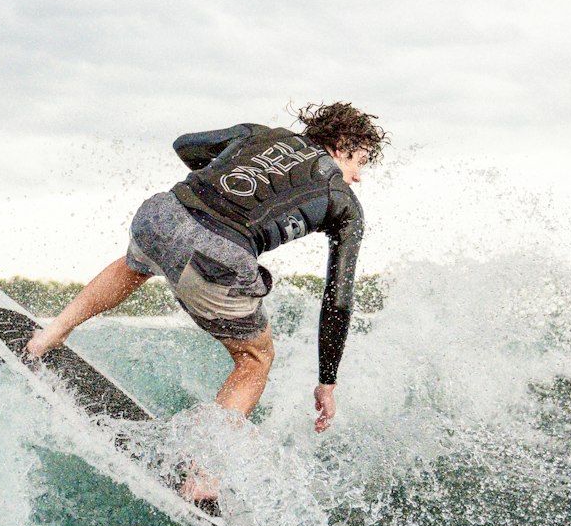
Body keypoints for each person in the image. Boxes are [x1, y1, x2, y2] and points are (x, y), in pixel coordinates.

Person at [25, 102, 387, 494]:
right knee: (255, 358)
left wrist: (227, 177)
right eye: (360, 162)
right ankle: (203, 473)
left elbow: (186, 146)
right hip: (218, 257)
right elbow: (338, 298)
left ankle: (51, 334)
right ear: (343, 146)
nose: (358, 177)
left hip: (160, 215)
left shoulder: (259, 133)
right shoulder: (344, 203)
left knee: (136, 264)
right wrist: (326, 382)